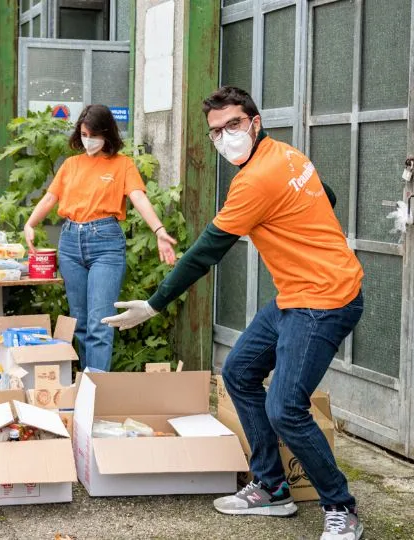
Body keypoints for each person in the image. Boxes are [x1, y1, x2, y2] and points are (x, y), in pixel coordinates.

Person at [104, 86, 364, 540]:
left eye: (234, 125)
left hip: (325, 299)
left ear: (255, 123)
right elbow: (330, 196)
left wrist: (154, 303)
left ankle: (341, 507)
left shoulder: (255, 181)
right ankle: (272, 487)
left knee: (286, 408)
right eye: (216, 131)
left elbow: (206, 252)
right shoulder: (289, 155)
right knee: (240, 372)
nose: (226, 137)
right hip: (295, 295)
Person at [23, 104, 177, 372]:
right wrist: (30, 223)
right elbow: (51, 197)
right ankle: (86, 387)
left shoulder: (122, 165)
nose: (87, 140)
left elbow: (138, 197)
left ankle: (97, 391)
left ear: (107, 134)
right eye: (83, 134)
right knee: (80, 323)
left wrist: (159, 231)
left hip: (105, 242)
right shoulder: (71, 165)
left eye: (93, 134)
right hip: (70, 241)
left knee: (100, 322)